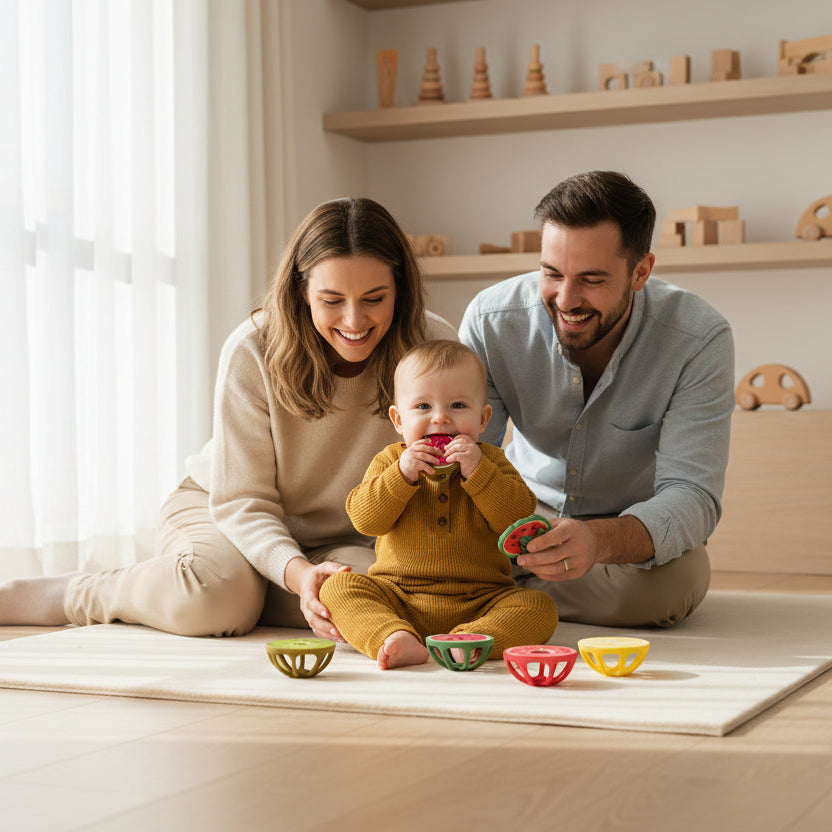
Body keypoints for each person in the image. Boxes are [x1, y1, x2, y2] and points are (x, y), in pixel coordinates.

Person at [0, 197, 457, 638]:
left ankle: (253, 595)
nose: (354, 320)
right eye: (332, 299)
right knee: (215, 599)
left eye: (374, 298)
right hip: (225, 507)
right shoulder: (253, 349)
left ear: (401, 288)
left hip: (343, 537)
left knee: (401, 598)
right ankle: (76, 592)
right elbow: (243, 501)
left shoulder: (433, 345)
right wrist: (297, 573)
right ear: (302, 293)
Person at [459, 170, 735, 628]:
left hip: (625, 530)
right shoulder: (491, 320)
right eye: (551, 273)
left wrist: (597, 541)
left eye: (591, 279)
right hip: (516, 513)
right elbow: (468, 454)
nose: (566, 300)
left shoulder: (699, 338)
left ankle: (493, 594)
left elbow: (692, 495)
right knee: (429, 556)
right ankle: (508, 589)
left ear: (641, 272)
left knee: (669, 584)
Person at [320, 340, 557, 670]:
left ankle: (473, 638)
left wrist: (479, 473)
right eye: (422, 407)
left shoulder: (492, 461)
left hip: (482, 598)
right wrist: (401, 476)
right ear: (398, 420)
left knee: (538, 606)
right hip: (399, 596)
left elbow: (517, 517)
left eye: (458, 405)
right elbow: (365, 520)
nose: (441, 418)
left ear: (483, 419)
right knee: (339, 588)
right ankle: (392, 636)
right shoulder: (391, 461)